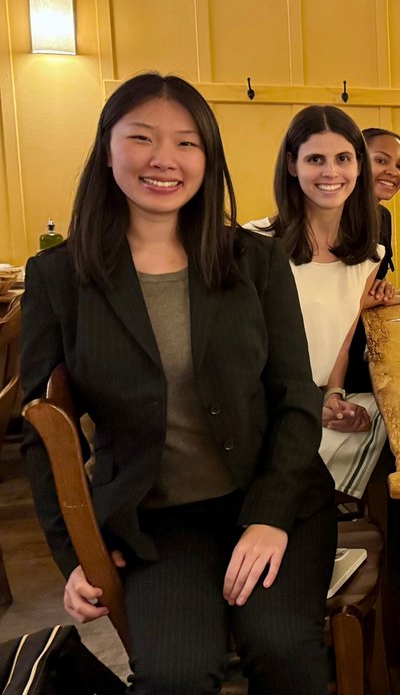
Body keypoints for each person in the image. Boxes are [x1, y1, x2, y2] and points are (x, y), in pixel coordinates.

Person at [20, 73, 335, 693]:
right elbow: (42, 437)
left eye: (186, 143)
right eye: (142, 137)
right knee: (175, 676)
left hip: (275, 499)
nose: (164, 159)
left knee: (284, 651)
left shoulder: (255, 260)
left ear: (208, 158)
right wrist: (75, 555)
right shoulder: (59, 277)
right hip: (157, 523)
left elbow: (298, 397)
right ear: (107, 148)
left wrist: (269, 516)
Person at [247, 105, 396, 500]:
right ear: (293, 166)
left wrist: (334, 395)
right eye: (316, 159)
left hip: (322, 404)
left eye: (342, 159)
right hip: (269, 411)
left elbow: (342, 347)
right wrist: (312, 406)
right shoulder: (254, 245)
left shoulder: (369, 256)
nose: (331, 173)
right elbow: (243, 360)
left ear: (359, 167)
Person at [344, 127, 400, 394]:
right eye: (381, 160)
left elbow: (375, 282)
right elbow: (340, 299)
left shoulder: (383, 217)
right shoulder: (337, 217)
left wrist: (383, 288)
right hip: (334, 351)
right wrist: (377, 297)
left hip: (367, 335)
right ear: (357, 162)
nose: (393, 171)